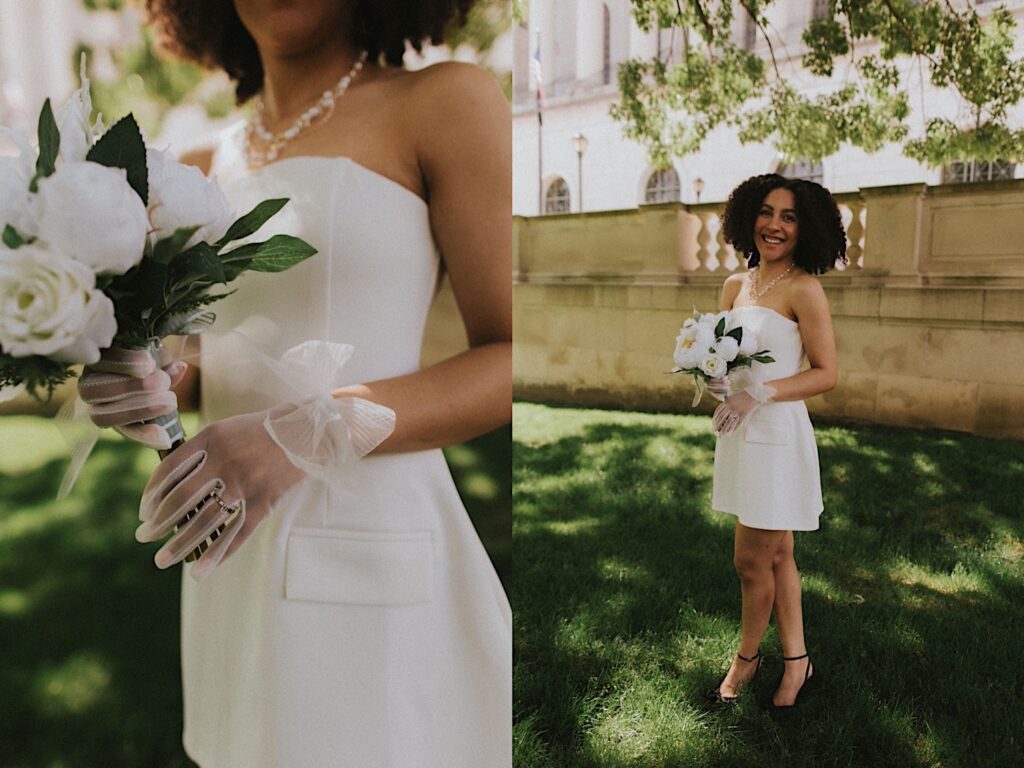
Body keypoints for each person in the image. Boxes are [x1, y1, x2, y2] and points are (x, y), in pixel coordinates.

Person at [76, 0, 512, 765]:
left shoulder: (445, 100)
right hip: (230, 555)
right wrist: (148, 381)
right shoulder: (198, 168)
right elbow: (223, 359)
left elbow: (511, 356)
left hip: (376, 549)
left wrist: (307, 429)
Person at [705, 173, 843, 709]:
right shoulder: (735, 286)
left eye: (788, 216)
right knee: (779, 555)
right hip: (739, 433)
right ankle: (797, 662)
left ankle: (745, 659)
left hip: (776, 436)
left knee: (750, 562)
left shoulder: (804, 289)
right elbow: (722, 359)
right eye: (766, 212)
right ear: (748, 218)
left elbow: (827, 372)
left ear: (804, 227)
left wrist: (757, 393)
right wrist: (715, 381)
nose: (775, 225)